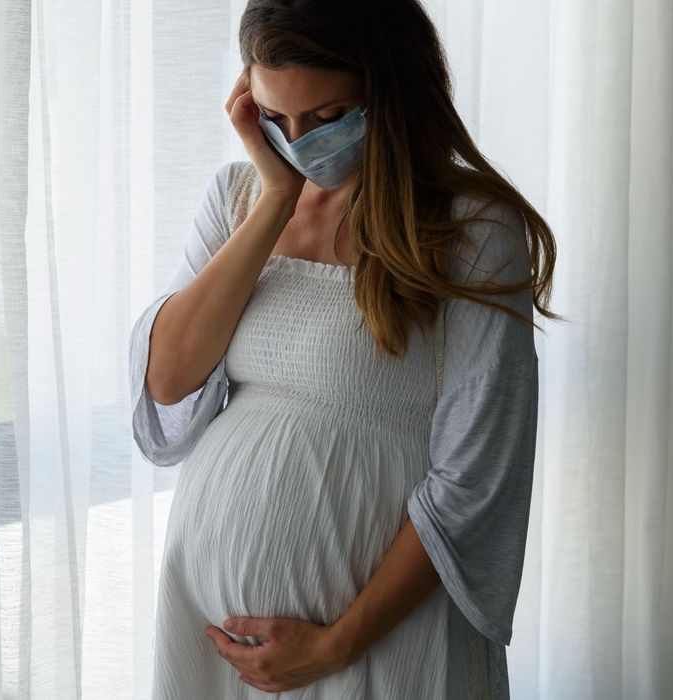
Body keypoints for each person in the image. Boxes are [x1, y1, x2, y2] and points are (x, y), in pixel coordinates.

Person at [129, 1, 560, 697]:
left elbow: (476, 475)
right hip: (215, 635)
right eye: (275, 118)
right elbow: (170, 380)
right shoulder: (238, 199)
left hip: (376, 640)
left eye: (326, 119)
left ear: (391, 91)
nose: (298, 140)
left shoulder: (473, 230)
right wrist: (276, 196)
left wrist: (336, 643)